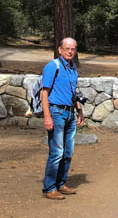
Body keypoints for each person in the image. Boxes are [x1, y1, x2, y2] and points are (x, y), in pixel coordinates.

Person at [41, 38, 84, 200]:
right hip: (56, 113)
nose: (70, 51)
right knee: (56, 152)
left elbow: (74, 93)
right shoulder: (53, 66)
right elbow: (44, 93)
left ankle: (61, 184)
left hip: (70, 113)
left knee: (68, 152)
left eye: (73, 49)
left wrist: (79, 111)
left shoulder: (73, 68)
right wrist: (47, 117)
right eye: (67, 48)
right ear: (60, 49)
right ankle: (50, 187)